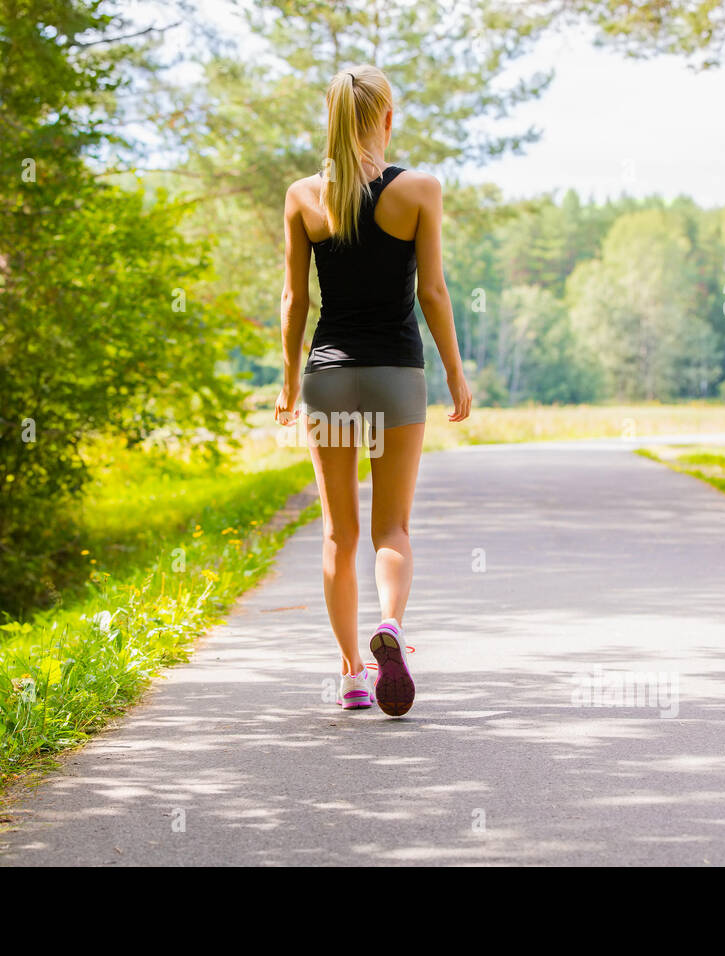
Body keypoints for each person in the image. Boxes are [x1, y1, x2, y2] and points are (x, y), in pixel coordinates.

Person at [275, 64, 472, 717]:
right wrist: (455, 372)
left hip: (329, 378)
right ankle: (389, 625)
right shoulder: (419, 190)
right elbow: (433, 293)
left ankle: (353, 673)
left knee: (339, 534)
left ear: (329, 120)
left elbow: (295, 299)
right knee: (392, 527)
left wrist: (284, 381)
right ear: (386, 119)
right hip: (395, 376)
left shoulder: (304, 197)